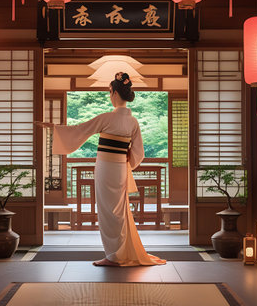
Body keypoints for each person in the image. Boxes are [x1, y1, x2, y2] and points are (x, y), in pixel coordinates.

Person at [35, 72, 166, 267]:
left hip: (105, 168)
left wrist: (53, 127)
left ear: (113, 92)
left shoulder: (106, 118)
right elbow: (139, 154)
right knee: (119, 211)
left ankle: (114, 255)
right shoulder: (133, 122)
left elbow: (79, 130)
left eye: (109, 92)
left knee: (106, 210)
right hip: (121, 168)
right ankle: (119, 252)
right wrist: (126, 158)